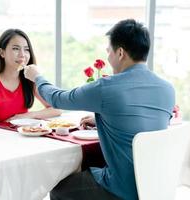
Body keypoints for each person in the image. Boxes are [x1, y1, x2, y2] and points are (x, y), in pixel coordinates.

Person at [24, 19, 175, 200]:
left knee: (59, 188)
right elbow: (145, 126)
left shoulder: (107, 88)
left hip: (122, 189)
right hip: (155, 186)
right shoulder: (167, 89)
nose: (108, 57)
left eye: (108, 51)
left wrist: (37, 77)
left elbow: (57, 99)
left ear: (120, 53)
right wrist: (106, 119)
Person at [0, 29, 61, 128]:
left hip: (21, 139)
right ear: (2, 53)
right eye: (16, 48)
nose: (22, 55)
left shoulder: (29, 79)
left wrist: (28, 115)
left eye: (26, 49)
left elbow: (57, 108)